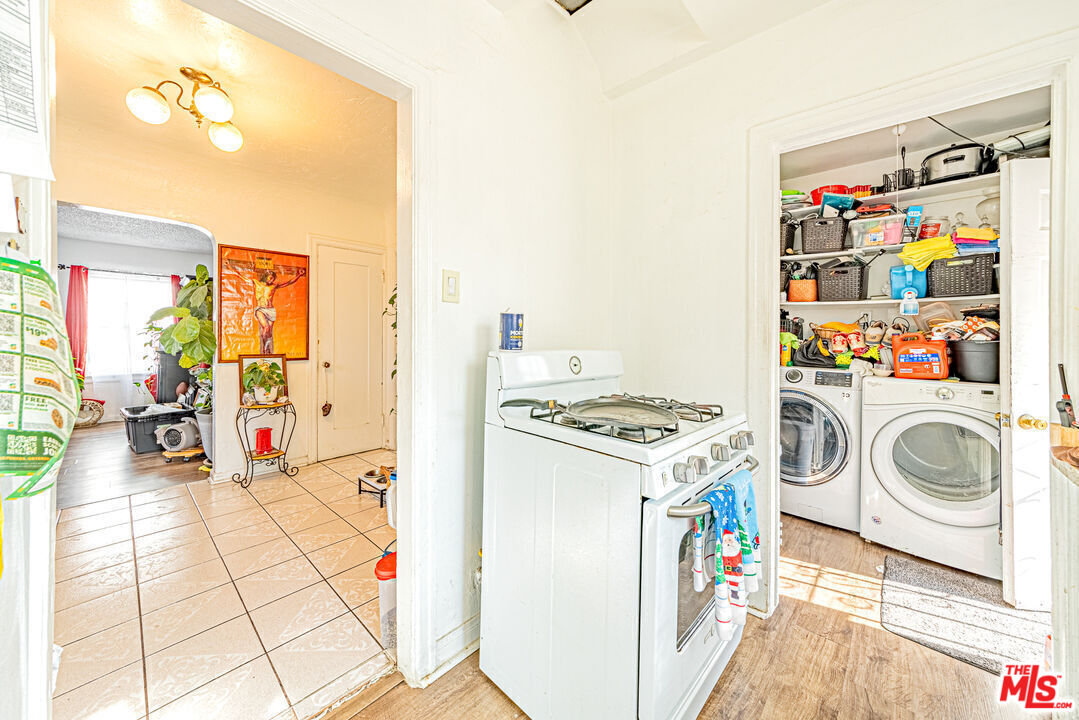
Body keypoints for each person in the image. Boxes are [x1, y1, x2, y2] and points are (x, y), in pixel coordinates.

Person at [226, 259, 306, 353]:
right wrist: (230, 267)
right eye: (270, 277)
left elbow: (289, 282)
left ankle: (267, 347)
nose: (271, 280)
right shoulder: (257, 283)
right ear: (266, 277)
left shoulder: (274, 286)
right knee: (266, 327)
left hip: (271, 310)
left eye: (273, 278)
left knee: (269, 333)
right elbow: (241, 276)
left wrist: (299, 275)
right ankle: (265, 348)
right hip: (261, 309)